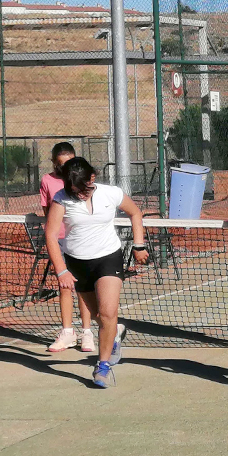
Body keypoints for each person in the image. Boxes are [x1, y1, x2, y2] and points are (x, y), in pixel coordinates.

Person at [45, 157, 149, 388]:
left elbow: (135, 213)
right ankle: (115, 334)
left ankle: (102, 367)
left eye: (84, 189)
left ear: (93, 178)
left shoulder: (111, 193)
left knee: (108, 313)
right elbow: (51, 235)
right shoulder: (62, 199)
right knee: (99, 317)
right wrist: (61, 270)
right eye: (74, 190)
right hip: (77, 263)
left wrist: (138, 245)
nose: (80, 194)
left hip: (108, 258)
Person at [39, 142, 94, 353]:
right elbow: (48, 212)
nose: (64, 167)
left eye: (69, 162)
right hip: (60, 242)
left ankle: (87, 333)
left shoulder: (79, 179)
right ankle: (68, 332)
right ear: (54, 163)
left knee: (83, 287)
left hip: (81, 240)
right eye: (61, 164)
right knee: (64, 286)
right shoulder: (47, 181)